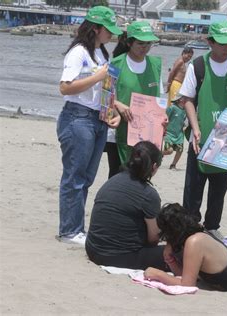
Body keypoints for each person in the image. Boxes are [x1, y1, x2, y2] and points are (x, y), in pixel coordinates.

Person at [179, 21, 227, 239]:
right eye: (222, 44)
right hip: (202, 135)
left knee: (219, 186)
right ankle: (190, 226)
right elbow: (187, 99)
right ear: (210, 42)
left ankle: (212, 226)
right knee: (194, 186)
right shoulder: (198, 66)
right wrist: (194, 128)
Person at [57, 6, 122, 245]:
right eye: (108, 30)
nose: (111, 35)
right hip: (77, 117)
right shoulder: (78, 52)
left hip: (98, 119)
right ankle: (70, 231)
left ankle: (76, 229)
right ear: (95, 28)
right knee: (75, 177)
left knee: (86, 177)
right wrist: (98, 76)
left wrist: (113, 112)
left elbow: (104, 91)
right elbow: (65, 87)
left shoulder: (101, 54)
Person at [85, 141, 167, 270]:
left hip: (93, 249)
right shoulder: (149, 194)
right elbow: (153, 239)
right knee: (178, 254)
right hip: (117, 256)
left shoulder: (112, 180)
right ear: (154, 166)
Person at [110, 21, 163, 170]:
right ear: (129, 43)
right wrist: (118, 105)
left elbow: (160, 99)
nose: (145, 48)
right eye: (140, 43)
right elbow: (104, 95)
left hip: (148, 132)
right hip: (121, 131)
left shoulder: (156, 65)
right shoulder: (115, 64)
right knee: (120, 174)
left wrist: (164, 118)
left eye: (148, 43)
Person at [163, 94, 187, 169]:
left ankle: (173, 165)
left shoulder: (186, 110)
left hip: (179, 134)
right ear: (179, 99)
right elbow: (164, 117)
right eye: (184, 98)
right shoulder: (172, 108)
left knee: (180, 150)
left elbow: (185, 122)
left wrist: (185, 127)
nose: (186, 99)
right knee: (169, 151)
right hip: (169, 133)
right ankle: (159, 153)